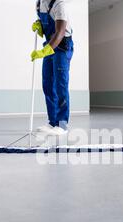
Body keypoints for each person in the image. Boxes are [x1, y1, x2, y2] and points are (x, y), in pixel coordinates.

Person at [31, 0, 74, 136]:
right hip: (50, 44)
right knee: (48, 85)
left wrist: (44, 51)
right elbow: (47, 28)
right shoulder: (39, 3)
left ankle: (62, 124)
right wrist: (39, 27)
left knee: (60, 85)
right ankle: (53, 122)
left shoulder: (60, 4)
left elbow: (60, 32)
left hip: (62, 46)